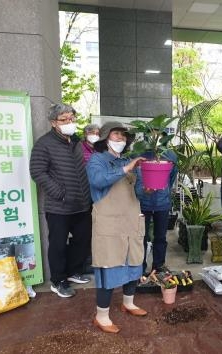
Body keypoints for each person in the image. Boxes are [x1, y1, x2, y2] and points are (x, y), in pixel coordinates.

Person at [86, 121, 147, 334]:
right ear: (104, 139)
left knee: (134, 262)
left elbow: (136, 190)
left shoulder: (129, 160)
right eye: (115, 135)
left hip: (131, 220)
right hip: (109, 223)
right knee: (109, 267)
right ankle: (101, 316)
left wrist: (146, 185)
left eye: (123, 135)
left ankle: (128, 303)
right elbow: (98, 181)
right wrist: (126, 168)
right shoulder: (97, 160)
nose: (120, 138)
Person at [29, 103, 91, 298]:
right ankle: (58, 280)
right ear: (53, 122)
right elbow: (37, 172)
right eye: (64, 120)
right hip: (59, 206)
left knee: (82, 240)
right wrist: (59, 192)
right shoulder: (44, 144)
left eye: (71, 119)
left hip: (81, 204)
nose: (69, 122)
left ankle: (73, 271)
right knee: (57, 244)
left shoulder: (76, 142)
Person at [135, 132, 178, 274]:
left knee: (160, 236)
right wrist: (141, 191)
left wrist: (162, 188)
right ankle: (140, 267)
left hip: (162, 202)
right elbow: (134, 178)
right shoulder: (139, 154)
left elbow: (171, 177)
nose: (155, 138)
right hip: (142, 202)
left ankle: (158, 265)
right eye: (152, 135)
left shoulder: (170, 155)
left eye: (159, 135)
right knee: (142, 236)